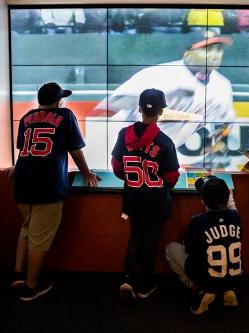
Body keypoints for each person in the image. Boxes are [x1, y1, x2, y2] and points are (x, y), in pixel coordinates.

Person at [5, 82, 98, 301]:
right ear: (58, 101)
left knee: (27, 228)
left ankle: (18, 275)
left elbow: (25, 150)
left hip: (22, 182)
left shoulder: (27, 117)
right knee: (40, 239)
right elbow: (74, 149)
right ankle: (30, 287)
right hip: (47, 185)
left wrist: (16, 167)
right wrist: (86, 172)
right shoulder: (65, 115)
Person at [94, 30, 236, 164]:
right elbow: (107, 107)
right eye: (207, 49)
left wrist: (217, 145)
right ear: (187, 53)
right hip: (129, 151)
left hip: (170, 155)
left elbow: (224, 122)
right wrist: (159, 97)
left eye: (218, 49)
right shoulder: (159, 74)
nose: (214, 55)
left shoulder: (222, 85)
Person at [111, 88, 180, 299]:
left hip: (133, 199)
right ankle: (144, 284)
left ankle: (128, 278)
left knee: (135, 236)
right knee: (150, 240)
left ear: (139, 109)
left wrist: (132, 179)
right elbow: (171, 177)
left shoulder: (124, 135)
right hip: (156, 202)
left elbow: (116, 167)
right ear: (161, 112)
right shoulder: (165, 141)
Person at [165, 176, 242, 315]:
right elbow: (232, 206)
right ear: (227, 196)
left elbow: (190, 249)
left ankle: (199, 290)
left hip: (208, 279)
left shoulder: (197, 221)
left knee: (171, 248)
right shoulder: (236, 217)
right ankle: (228, 289)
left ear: (202, 200)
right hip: (234, 278)